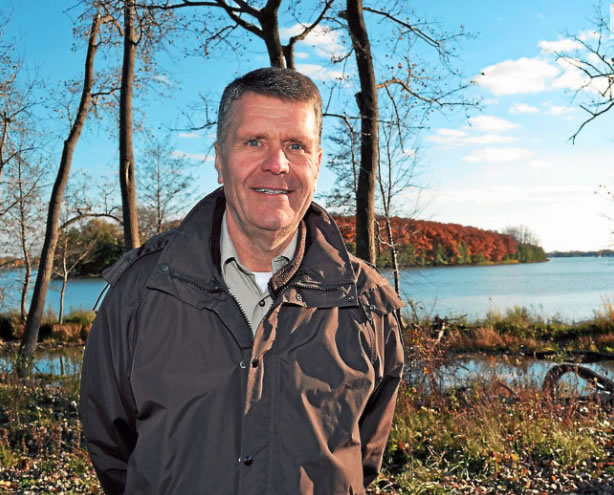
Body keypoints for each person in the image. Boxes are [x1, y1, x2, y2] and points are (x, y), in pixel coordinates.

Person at [80, 67, 405, 495]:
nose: (277, 164)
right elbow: (111, 446)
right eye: (254, 142)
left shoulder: (368, 303)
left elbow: (362, 458)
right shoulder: (140, 293)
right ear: (219, 158)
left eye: (296, 146)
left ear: (318, 162)